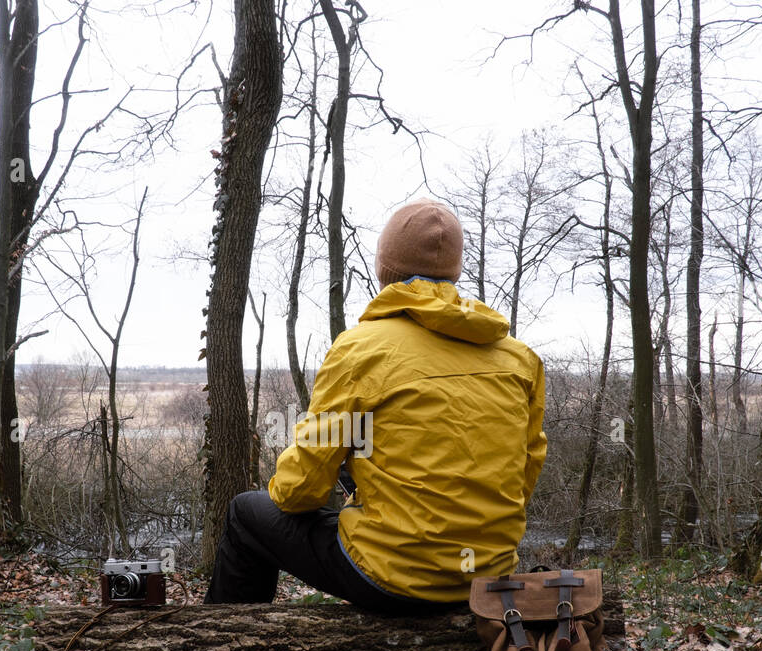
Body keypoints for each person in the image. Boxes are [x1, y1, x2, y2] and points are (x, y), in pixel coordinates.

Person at [204, 198, 547, 613]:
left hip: (396, 579)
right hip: (488, 577)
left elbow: (303, 489)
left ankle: (227, 648)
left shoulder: (361, 349)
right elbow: (524, 473)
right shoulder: (519, 358)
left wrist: (333, 499)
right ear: (454, 270)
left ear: (387, 270)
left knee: (246, 513)